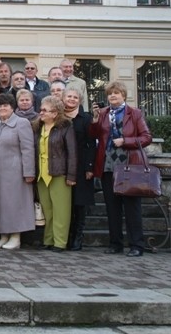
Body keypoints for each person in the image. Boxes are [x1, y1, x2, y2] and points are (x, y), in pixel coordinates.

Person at [89, 81, 152, 257]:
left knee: (132, 207)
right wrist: (94, 120)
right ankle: (115, 243)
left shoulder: (135, 113)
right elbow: (93, 135)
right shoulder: (103, 113)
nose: (113, 96)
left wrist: (126, 141)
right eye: (110, 93)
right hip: (108, 165)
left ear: (123, 95)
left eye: (116, 93)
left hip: (129, 164)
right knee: (112, 207)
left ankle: (136, 245)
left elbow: (146, 137)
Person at [0, 94, 35, 250]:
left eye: (5, 106)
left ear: (12, 107)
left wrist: (29, 172)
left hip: (16, 173)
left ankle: (16, 236)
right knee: (0, 205)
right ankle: (3, 235)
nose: (2, 108)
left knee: (15, 204)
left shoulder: (22, 123)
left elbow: (28, 149)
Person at [32, 95, 77, 251]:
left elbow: (72, 153)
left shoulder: (66, 127)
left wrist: (71, 175)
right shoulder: (37, 127)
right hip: (41, 174)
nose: (41, 112)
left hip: (59, 173)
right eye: (41, 109)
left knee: (61, 210)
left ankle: (60, 242)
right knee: (48, 210)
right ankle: (48, 240)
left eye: (45, 110)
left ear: (55, 113)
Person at [63, 88, 95, 251]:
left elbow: (91, 144)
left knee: (79, 204)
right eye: (69, 96)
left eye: (75, 97)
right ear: (63, 98)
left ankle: (77, 237)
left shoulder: (86, 118)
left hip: (82, 166)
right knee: (66, 204)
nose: (72, 99)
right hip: (63, 165)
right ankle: (66, 236)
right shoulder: (59, 118)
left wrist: (90, 167)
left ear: (80, 101)